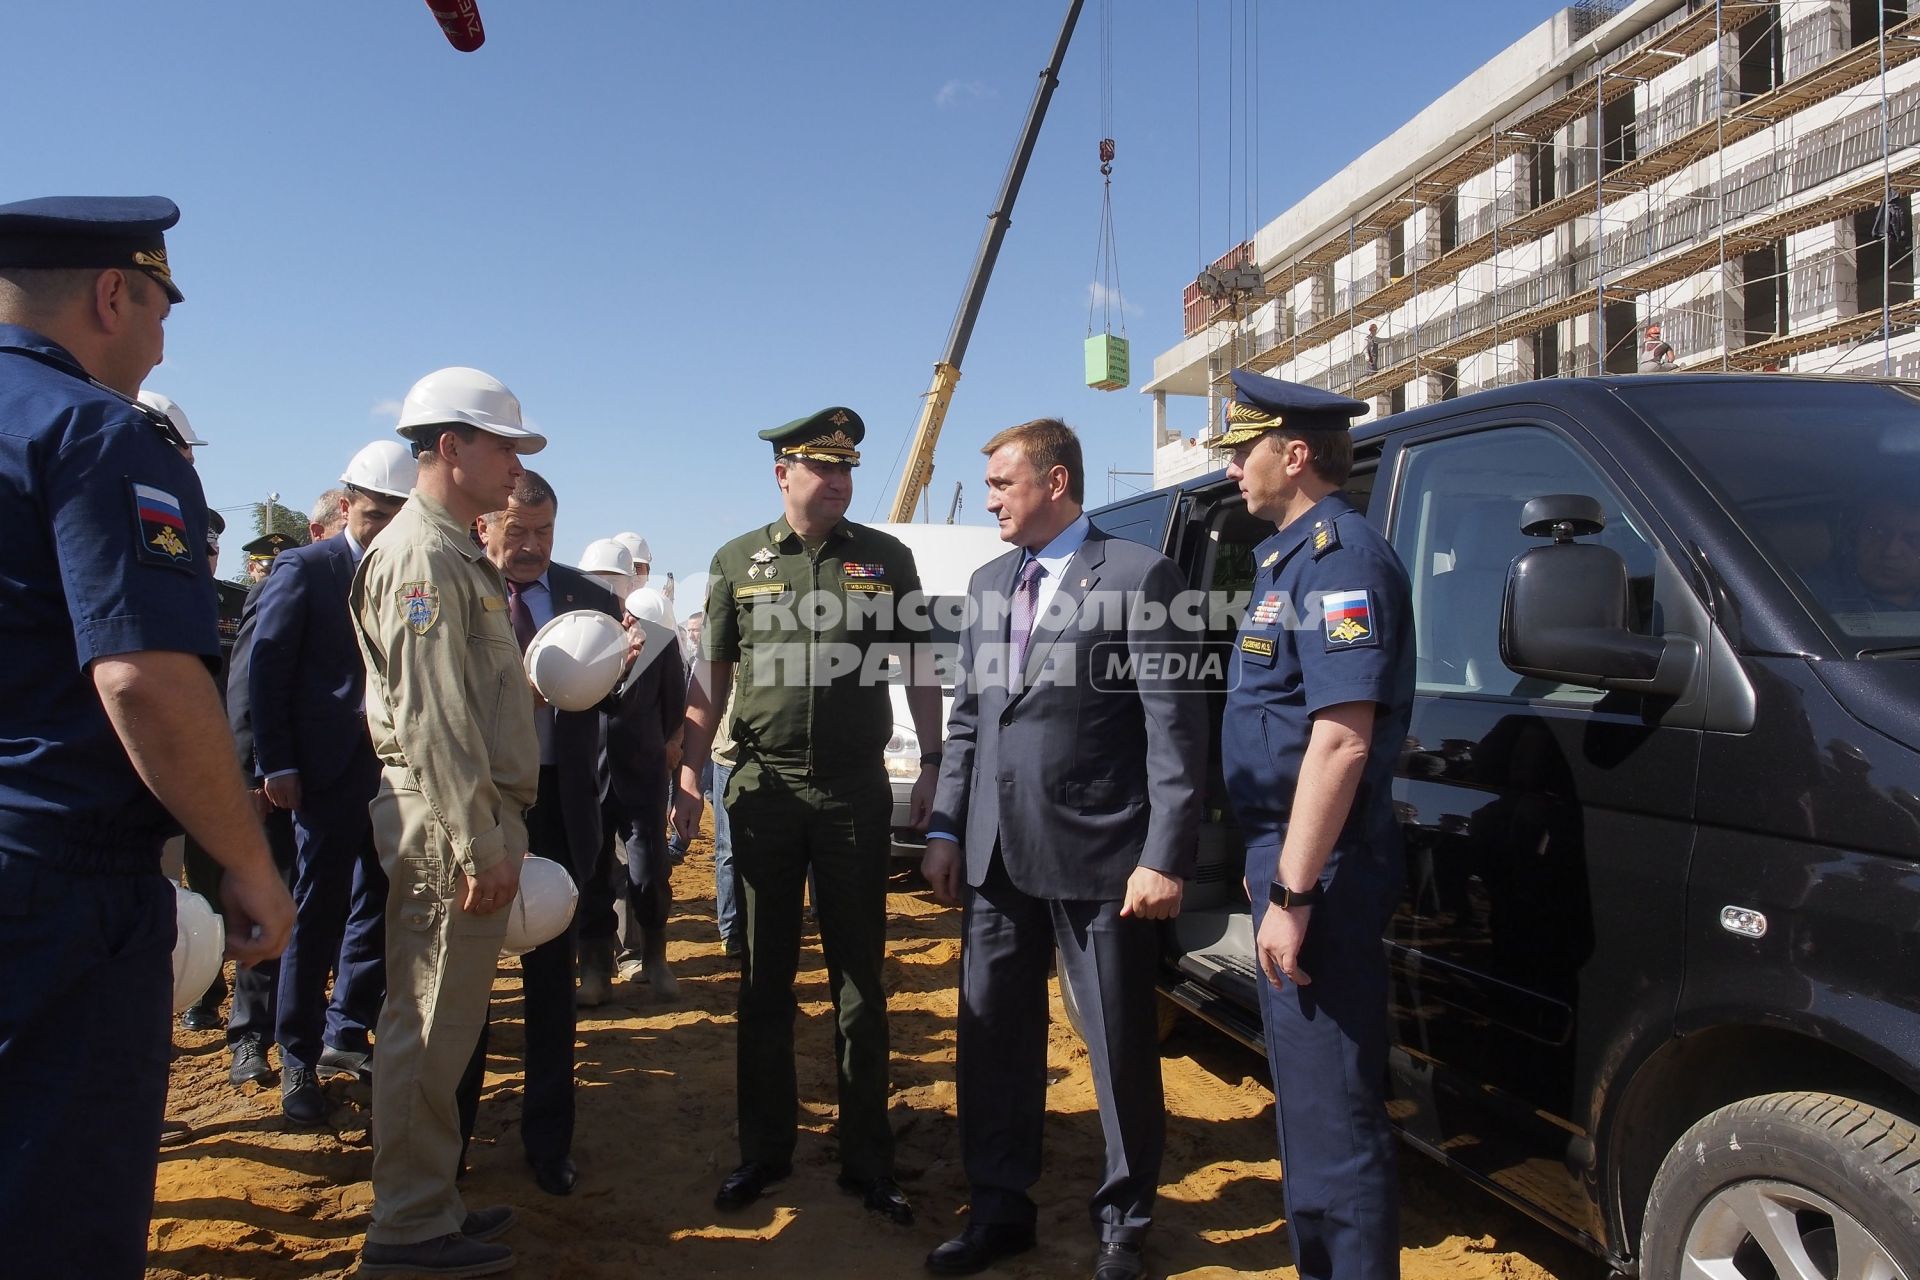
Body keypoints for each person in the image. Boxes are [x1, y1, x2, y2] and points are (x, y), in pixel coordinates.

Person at [0, 195, 294, 1277]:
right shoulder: (96, 431)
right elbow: (145, 678)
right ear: (113, 292)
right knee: (56, 1203)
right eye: (162, 303)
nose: (165, 334)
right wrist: (249, 864)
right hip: (52, 884)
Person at [920, 419, 1205, 1280]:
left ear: (1056, 481)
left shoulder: (1138, 575)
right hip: (994, 856)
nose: (994, 498)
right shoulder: (986, 582)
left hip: (1101, 855)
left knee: (1117, 1043)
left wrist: (1165, 853)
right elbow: (970, 719)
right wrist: (942, 827)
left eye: (1005, 483)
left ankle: (1124, 1222)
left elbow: (1174, 732)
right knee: (993, 1039)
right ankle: (1000, 1208)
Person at [673, 407, 943, 1226]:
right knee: (762, 980)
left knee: (861, 978)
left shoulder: (886, 558)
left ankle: (869, 1159)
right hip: (763, 793)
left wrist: (933, 761)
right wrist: (688, 774)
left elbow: (924, 664)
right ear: (782, 473)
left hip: (855, 791)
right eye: (823, 468)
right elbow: (709, 679)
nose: (839, 481)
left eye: (847, 469)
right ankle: (764, 1151)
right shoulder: (735, 561)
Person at [1211, 369, 1414, 1280]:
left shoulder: (1340, 557)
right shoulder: (1289, 557)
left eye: (1240, 452)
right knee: (1307, 1102)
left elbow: (1339, 740)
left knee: (1334, 1114)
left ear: (1293, 455)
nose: (1229, 473)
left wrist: (1292, 889)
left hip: (1317, 867)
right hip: (1286, 856)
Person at [350, 365, 545, 1276]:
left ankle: (432, 1203)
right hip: (447, 820)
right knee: (426, 1025)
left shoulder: (452, 549)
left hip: (462, 812)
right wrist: (480, 842)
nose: (515, 465)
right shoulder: (424, 557)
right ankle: (407, 1227)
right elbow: (435, 720)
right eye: (504, 445)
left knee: (446, 1021)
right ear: (450, 447)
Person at [467, 469, 626, 1198]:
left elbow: (606, 704)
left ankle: (549, 1141)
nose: (530, 547)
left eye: (544, 534)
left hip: (561, 810)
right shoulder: (457, 590)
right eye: (517, 531)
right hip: (477, 805)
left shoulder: (590, 601)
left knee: (551, 988)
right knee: (465, 981)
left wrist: (616, 664)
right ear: (486, 527)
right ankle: (451, 1136)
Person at [251, 443, 415, 1124]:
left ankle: (348, 1033)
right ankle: (297, 1055)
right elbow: (266, 671)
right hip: (319, 776)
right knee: (314, 913)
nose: (382, 529)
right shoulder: (307, 568)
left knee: (377, 907)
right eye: (374, 515)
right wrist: (276, 762)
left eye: (395, 517)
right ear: (347, 506)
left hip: (390, 774)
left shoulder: (411, 575)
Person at [602, 586, 687, 997]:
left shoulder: (663, 650)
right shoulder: (598, 641)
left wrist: (663, 747)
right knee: (595, 874)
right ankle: (596, 967)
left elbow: (675, 707)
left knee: (648, 871)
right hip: (594, 777)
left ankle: (656, 957)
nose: (633, 627)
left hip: (643, 777)